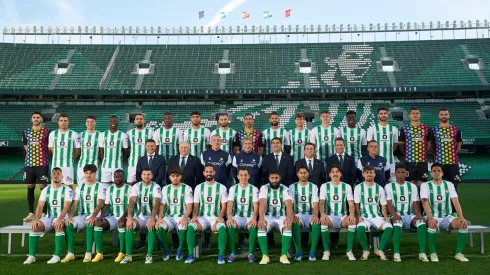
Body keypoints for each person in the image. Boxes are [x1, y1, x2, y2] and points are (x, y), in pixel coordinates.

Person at [420, 163, 469, 262]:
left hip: (447, 217)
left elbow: (455, 201)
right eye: (434, 171)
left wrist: (461, 217)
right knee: (432, 224)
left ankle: (458, 253)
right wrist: (430, 218)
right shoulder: (425, 185)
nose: (437, 173)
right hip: (432, 216)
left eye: (439, 171)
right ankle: (433, 253)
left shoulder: (449, 184)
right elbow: (424, 202)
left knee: (463, 224)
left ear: (442, 173)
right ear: (431, 173)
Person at [23, 167, 73, 265]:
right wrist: (36, 219)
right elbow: (40, 205)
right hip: (48, 217)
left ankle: (57, 255)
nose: (56, 175)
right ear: (51, 176)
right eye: (54, 173)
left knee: (58, 225)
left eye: (58, 173)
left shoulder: (67, 190)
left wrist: (59, 219)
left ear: (62, 176)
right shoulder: (46, 190)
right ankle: (32, 256)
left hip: (62, 217)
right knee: (34, 227)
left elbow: (67, 206)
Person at [185, 165, 228, 264]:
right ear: (204, 173)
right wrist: (194, 216)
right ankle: (191, 255)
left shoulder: (221, 187)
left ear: (214, 173)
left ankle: (221, 255)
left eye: (211, 172)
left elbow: (224, 206)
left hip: (215, 218)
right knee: (191, 227)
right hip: (202, 218)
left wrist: (221, 217)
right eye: (207, 172)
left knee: (222, 228)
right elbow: (196, 205)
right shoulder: (199, 187)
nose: (209, 173)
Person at [385, 164, 428, 262]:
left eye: (403, 172)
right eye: (399, 172)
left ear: (406, 174)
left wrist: (419, 214)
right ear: (395, 173)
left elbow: (416, 203)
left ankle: (422, 252)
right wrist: (395, 215)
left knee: (421, 222)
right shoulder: (389, 186)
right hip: (394, 215)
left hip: (408, 215)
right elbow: (389, 204)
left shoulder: (412, 186)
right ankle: (396, 253)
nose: (401, 175)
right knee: (397, 223)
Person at [65, 164, 106, 262]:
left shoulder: (101, 186)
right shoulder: (80, 187)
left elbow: (100, 204)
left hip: (96, 215)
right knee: (69, 224)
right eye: (86, 173)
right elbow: (75, 204)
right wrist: (70, 216)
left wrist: (93, 216)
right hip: (82, 215)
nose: (88, 175)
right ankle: (70, 253)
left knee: (90, 222)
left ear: (95, 174)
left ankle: (88, 253)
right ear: (84, 174)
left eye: (90, 173)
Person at [120, 169, 162, 264]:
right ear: (141, 176)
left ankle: (149, 255)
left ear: (152, 176)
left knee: (151, 225)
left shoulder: (156, 186)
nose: (146, 176)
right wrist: (129, 218)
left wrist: (152, 218)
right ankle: (128, 255)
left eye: (148, 174)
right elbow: (131, 201)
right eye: (144, 174)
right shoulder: (136, 186)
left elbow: (156, 203)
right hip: (140, 217)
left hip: (153, 216)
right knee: (130, 225)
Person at [354, 166, 393, 261]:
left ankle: (379, 249)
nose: (369, 174)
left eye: (371, 172)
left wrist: (386, 216)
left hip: (377, 217)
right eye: (367, 172)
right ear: (363, 174)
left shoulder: (379, 188)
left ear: (374, 174)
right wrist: (358, 216)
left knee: (389, 227)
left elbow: (383, 206)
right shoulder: (358, 188)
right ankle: (366, 250)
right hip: (365, 217)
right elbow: (356, 205)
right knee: (360, 228)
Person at [319, 164, 357, 261]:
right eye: (333, 172)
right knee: (323, 222)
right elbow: (321, 202)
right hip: (329, 217)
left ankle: (349, 251)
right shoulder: (324, 186)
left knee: (352, 222)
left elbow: (351, 203)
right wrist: (322, 214)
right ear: (329, 174)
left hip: (342, 217)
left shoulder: (347, 186)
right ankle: (326, 251)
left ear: (340, 174)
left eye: (337, 172)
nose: (335, 174)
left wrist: (352, 215)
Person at [92, 169, 130, 263]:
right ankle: (99, 253)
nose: (118, 178)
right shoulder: (110, 189)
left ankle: (121, 252)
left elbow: (130, 206)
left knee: (121, 223)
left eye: (120, 176)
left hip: (126, 216)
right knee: (98, 223)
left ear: (123, 177)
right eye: (116, 177)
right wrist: (101, 216)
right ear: (113, 178)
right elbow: (106, 205)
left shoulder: (129, 188)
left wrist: (123, 216)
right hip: (113, 217)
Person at [156, 168, 193, 261]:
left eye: (177, 176)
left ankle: (179, 249)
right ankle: (167, 249)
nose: (175, 178)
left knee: (183, 226)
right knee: (159, 228)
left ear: (180, 177)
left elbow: (189, 207)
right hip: (170, 217)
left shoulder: (187, 188)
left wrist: (185, 218)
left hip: (182, 216)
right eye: (173, 176)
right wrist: (160, 218)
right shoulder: (165, 189)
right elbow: (161, 206)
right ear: (169, 177)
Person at [257, 171, 294, 265]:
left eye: (276, 178)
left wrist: (289, 218)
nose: (274, 180)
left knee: (287, 226)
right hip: (267, 216)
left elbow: (289, 205)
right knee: (261, 226)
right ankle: (265, 256)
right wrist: (261, 218)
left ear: (280, 178)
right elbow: (262, 203)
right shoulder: (264, 188)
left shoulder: (285, 189)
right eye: (272, 178)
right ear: (269, 178)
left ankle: (283, 255)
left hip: (281, 216)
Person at [226, 168, 260, 263]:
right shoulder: (233, 188)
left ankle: (250, 253)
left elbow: (256, 205)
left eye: (245, 175)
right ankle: (232, 253)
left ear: (249, 176)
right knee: (230, 225)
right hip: (237, 217)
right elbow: (229, 204)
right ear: (237, 177)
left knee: (253, 226)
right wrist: (229, 217)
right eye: (241, 175)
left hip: (249, 217)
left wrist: (254, 218)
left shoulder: (253, 189)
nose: (243, 177)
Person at [23, 111, 51, 222]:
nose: (36, 119)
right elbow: (26, 147)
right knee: (30, 187)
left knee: (43, 188)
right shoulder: (26, 132)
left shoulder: (47, 132)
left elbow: (49, 148)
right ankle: (31, 213)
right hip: (29, 164)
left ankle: (44, 213)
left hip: (42, 164)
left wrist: (42, 157)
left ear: (41, 119)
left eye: (38, 117)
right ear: (31, 119)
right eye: (34, 117)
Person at [290, 166, 321, 261]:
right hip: (297, 214)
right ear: (297, 174)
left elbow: (315, 204)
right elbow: (289, 204)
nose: (303, 175)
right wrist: (292, 215)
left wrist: (315, 216)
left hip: (310, 214)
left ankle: (312, 252)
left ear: (308, 174)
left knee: (316, 222)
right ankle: (299, 252)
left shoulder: (313, 186)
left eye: (305, 173)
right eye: (301, 173)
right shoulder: (292, 187)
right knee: (294, 223)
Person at [398, 107, 433, 185]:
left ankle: (422, 197)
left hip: (422, 161)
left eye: (417, 113)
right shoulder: (404, 128)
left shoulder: (427, 128)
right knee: (409, 183)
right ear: (409, 116)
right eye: (413, 113)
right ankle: (412, 197)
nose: (415, 115)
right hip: (409, 161)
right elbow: (401, 145)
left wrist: (424, 152)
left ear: (420, 115)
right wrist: (407, 154)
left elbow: (429, 143)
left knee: (423, 184)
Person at [431, 109, 463, 190]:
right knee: (438, 185)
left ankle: (453, 203)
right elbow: (431, 145)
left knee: (453, 186)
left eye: (446, 114)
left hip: (453, 163)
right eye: (442, 114)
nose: (444, 116)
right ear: (439, 116)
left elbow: (459, 142)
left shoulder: (456, 129)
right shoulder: (434, 130)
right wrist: (435, 155)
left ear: (449, 116)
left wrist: (456, 152)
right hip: (439, 163)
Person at [367, 107, 399, 181]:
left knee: (391, 181)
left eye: (385, 113)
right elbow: (369, 145)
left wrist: (389, 153)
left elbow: (395, 144)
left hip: (390, 160)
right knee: (377, 181)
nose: (383, 115)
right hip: (376, 161)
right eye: (381, 114)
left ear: (387, 115)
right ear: (378, 115)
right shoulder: (372, 128)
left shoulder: (394, 129)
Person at [48, 114, 81, 187]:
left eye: (65, 121)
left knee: (68, 185)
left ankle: (69, 198)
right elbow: (51, 148)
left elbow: (77, 150)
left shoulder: (74, 134)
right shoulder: (53, 134)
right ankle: (56, 198)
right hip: (55, 164)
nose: (63, 122)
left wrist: (71, 159)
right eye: (61, 121)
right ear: (58, 122)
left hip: (68, 165)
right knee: (55, 184)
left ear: (68, 122)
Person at [99, 116, 129, 185]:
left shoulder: (123, 135)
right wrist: (104, 161)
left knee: (117, 185)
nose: (113, 123)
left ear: (118, 122)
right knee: (105, 186)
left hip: (117, 166)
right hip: (105, 166)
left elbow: (126, 152)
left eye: (115, 121)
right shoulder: (102, 135)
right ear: (108, 122)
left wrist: (120, 160)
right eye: (111, 121)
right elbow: (101, 151)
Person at [127, 114, 154, 184]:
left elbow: (153, 146)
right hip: (133, 163)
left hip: (146, 163)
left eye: (141, 119)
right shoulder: (129, 133)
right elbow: (127, 148)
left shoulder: (150, 132)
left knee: (147, 182)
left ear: (144, 121)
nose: (139, 120)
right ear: (134, 121)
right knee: (131, 183)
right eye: (137, 119)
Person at [77, 116, 100, 184]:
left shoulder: (100, 135)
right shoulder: (81, 135)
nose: (90, 123)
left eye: (92, 121)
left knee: (94, 185)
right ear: (85, 123)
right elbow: (78, 150)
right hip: (82, 164)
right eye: (88, 121)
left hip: (95, 163)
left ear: (95, 123)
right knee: (81, 185)